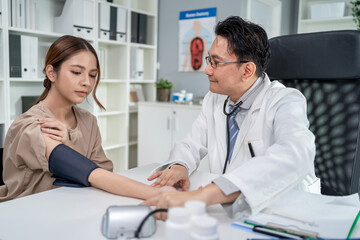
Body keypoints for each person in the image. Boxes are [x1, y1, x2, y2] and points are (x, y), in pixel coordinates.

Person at [144, 16, 320, 220]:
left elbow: (296, 154)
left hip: (286, 214)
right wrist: (180, 166)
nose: (207, 70)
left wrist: (203, 195)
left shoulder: (285, 101)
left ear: (247, 70)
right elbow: (192, 143)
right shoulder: (214, 100)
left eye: (216, 63)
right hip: (227, 212)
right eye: (209, 60)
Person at [0, 35, 173, 202]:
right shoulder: (31, 125)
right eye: (76, 72)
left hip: (75, 207)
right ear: (51, 73)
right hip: (25, 213)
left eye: (92, 75)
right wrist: (156, 193)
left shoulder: (88, 121)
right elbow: (88, 172)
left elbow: (102, 174)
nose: (87, 82)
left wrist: (68, 145)